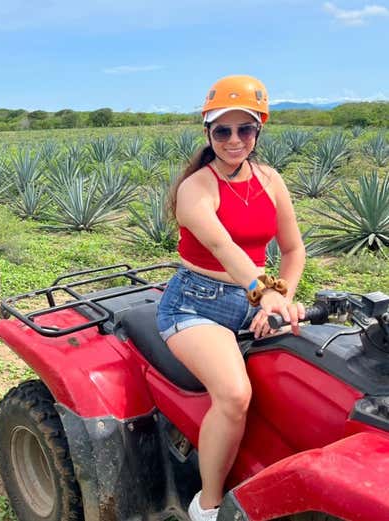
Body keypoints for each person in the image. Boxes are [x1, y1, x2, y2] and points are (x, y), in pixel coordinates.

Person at [155, 75, 306, 521]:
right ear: (209, 133)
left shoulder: (271, 180)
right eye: (223, 130)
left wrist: (280, 298)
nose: (234, 140)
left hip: (254, 298)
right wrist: (265, 293)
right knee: (236, 395)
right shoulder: (195, 188)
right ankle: (208, 505)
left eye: (245, 129)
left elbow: (294, 250)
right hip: (194, 305)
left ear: (258, 131)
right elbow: (225, 248)